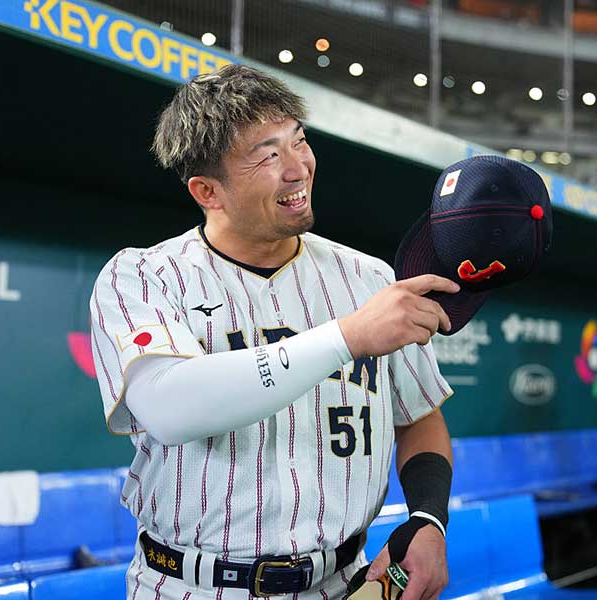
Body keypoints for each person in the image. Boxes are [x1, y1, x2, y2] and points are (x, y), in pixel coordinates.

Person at [90, 64, 457, 600]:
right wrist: (347, 337)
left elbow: (419, 417)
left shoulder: (370, 279)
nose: (297, 168)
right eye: (267, 155)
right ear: (207, 191)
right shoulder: (142, 276)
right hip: (195, 585)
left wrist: (428, 519)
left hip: (345, 580)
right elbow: (168, 410)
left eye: (299, 141)